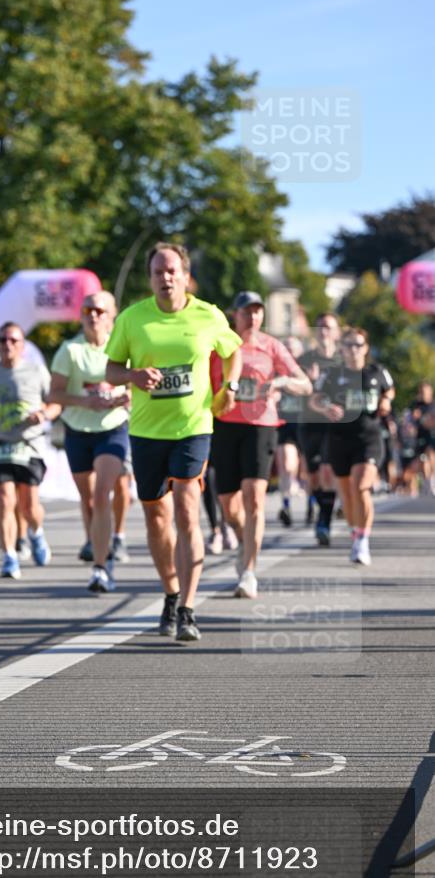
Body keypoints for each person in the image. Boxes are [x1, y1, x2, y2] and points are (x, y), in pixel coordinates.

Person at [106, 242, 242, 642]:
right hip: (147, 431)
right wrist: (132, 377)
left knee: (186, 510)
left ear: (184, 276)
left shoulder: (208, 315)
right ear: (149, 278)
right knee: (157, 519)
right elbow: (112, 369)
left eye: (171, 271)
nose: (164, 278)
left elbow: (233, 351)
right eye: (157, 272)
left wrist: (229, 385)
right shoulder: (133, 318)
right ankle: (170, 591)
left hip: (193, 427)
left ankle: (187, 608)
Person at [211, 292, 312, 599]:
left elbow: (304, 383)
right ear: (235, 315)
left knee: (254, 497)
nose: (253, 317)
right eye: (247, 312)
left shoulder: (271, 345)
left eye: (258, 312)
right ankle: (243, 542)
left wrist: (280, 383)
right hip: (225, 425)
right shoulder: (220, 344)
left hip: (262, 426)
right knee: (229, 506)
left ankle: (249, 571)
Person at [50, 291, 130, 593]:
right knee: (88, 499)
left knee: (102, 494)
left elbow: (137, 382)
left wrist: (127, 396)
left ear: (112, 314)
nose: (92, 315)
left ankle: (101, 565)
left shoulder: (123, 346)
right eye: (87, 310)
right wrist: (85, 401)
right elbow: (54, 394)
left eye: (99, 310)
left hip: (113, 428)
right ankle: (96, 541)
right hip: (78, 430)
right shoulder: (70, 350)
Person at [0, 322, 59, 578]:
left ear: (22, 345)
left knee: (29, 506)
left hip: (29, 445)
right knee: (3, 501)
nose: (8, 345)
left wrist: (44, 413)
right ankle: (9, 556)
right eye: (3, 340)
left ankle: (36, 533)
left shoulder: (37, 371)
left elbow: (56, 402)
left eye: (13, 340)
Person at [310, 326, 394, 565]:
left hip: (369, 437)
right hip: (339, 438)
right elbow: (315, 398)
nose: (353, 350)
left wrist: (386, 401)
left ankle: (363, 541)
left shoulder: (377, 372)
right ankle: (355, 533)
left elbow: (389, 389)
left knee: (361, 486)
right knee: (346, 494)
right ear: (342, 348)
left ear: (365, 348)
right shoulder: (333, 374)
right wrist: (325, 407)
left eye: (358, 345)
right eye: (349, 345)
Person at [298, 313, 343, 545]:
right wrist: (308, 382)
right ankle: (322, 509)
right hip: (309, 424)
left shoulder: (342, 361)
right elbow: (296, 391)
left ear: (336, 332)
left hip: (334, 425)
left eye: (329, 327)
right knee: (313, 476)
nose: (324, 330)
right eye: (321, 326)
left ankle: (324, 520)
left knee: (328, 472)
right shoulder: (306, 359)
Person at [274, 335, 305, 527]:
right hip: (284, 424)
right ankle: (286, 506)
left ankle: (312, 506)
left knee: (308, 471)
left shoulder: (306, 372)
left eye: (293, 348)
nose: (290, 352)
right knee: (286, 464)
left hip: (306, 425)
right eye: (286, 348)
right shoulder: (275, 371)